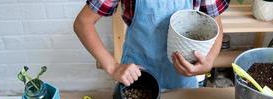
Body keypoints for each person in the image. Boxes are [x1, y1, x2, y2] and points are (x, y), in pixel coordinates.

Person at [74, 0, 230, 89]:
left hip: (182, 77)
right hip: (135, 75)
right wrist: (112, 66)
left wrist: (208, 62)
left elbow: (215, 26)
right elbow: (83, 23)